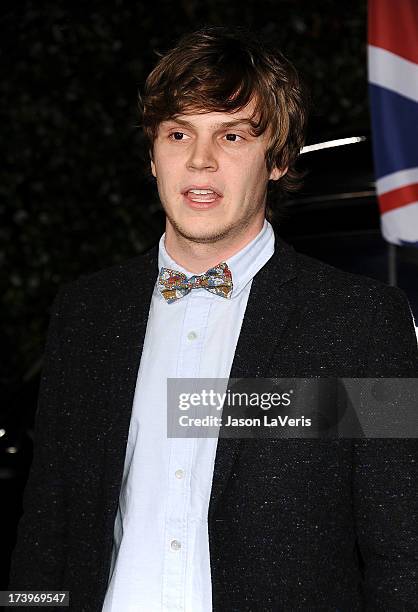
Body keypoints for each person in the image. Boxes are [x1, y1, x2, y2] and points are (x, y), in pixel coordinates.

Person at [9, 25, 418, 612]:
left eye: (231, 136)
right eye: (179, 134)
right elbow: (44, 531)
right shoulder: (86, 315)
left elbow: (402, 552)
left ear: (277, 159)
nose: (200, 161)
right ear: (153, 153)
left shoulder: (362, 325)